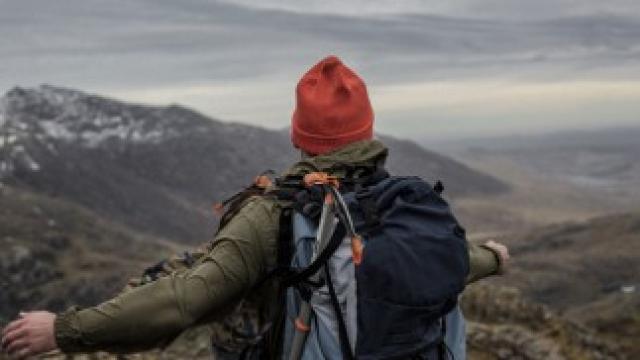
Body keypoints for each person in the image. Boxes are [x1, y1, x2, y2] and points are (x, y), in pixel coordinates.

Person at [1, 56, 509, 360]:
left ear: (299, 136)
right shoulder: (401, 204)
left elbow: (185, 300)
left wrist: (62, 332)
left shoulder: (276, 214)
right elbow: (457, 261)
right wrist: (494, 257)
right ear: (368, 132)